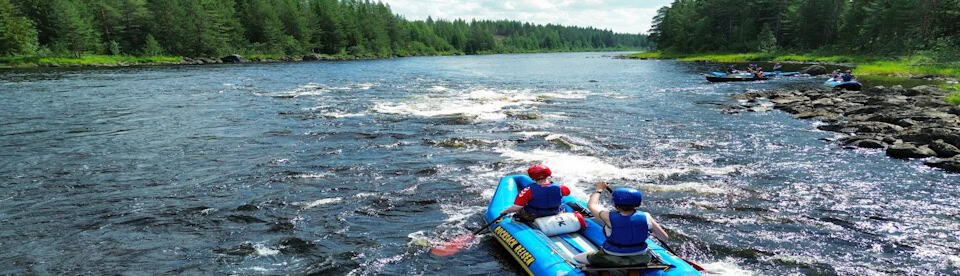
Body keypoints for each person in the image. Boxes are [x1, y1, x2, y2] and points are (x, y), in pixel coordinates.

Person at [573, 181, 669, 269]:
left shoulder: (608, 217)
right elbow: (664, 237)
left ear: (615, 203)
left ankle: (605, 271)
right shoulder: (647, 216)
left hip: (611, 257)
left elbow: (591, 205)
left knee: (576, 257)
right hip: (641, 257)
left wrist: (599, 190)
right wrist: (650, 233)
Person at [499, 164, 571, 223]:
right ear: (548, 174)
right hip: (556, 213)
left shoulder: (528, 190)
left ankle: (520, 222)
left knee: (520, 210)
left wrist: (504, 212)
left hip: (534, 215)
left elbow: (516, 207)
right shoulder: (561, 188)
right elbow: (567, 193)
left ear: (532, 177)